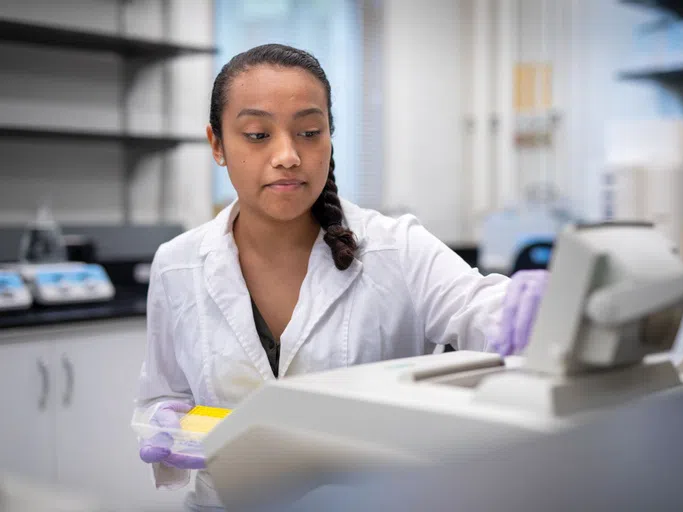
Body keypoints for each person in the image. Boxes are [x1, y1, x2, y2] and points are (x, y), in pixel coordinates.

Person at [133, 43, 549, 511]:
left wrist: (540, 309)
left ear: (330, 137)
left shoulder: (397, 247)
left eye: (309, 132)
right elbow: (164, 394)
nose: (288, 155)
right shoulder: (178, 265)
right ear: (217, 145)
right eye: (256, 134)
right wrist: (164, 419)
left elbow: (484, 308)